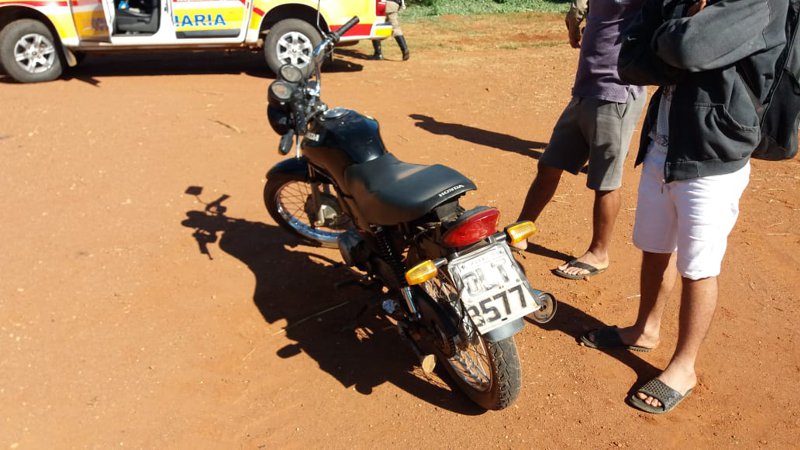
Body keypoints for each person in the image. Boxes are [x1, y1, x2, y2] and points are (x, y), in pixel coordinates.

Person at [580, 0, 787, 414]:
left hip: (713, 152)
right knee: (655, 246)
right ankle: (645, 328)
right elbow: (630, 58)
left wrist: (674, 38)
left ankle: (683, 366)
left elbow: (687, 48)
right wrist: (680, 32)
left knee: (698, 267)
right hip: (663, 142)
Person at [514, 0, 647, 280]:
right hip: (586, 88)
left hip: (616, 91)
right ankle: (522, 230)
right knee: (549, 164)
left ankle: (599, 253)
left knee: (605, 181)